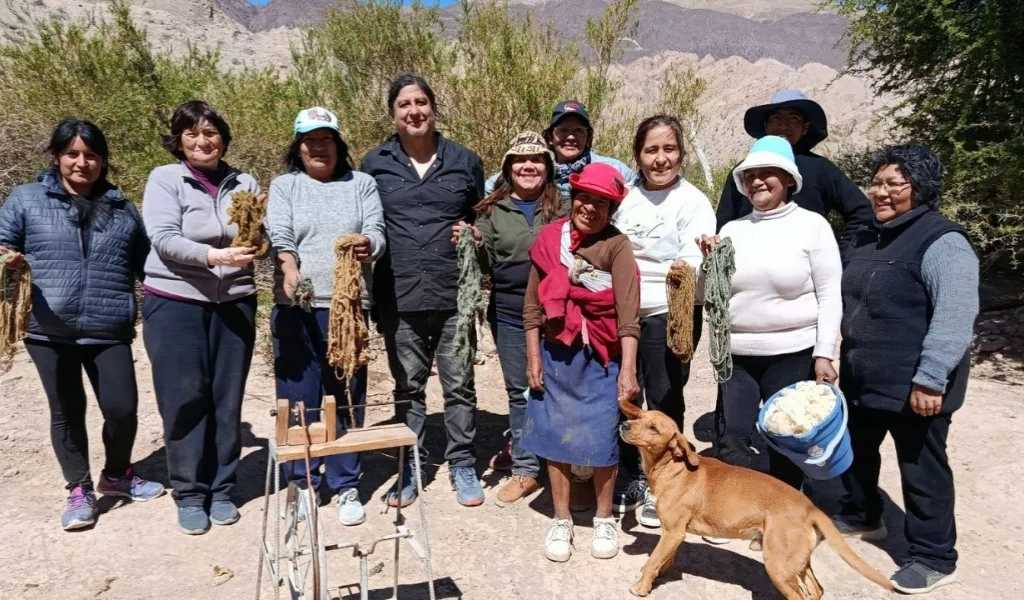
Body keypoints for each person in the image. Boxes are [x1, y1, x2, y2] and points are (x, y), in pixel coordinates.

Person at [0, 119, 164, 530]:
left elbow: (148, 265)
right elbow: (3, 244)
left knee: (122, 408)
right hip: (48, 327)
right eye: (72, 154)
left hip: (108, 325)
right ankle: (79, 489)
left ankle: (117, 474)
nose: (82, 163)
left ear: (102, 160)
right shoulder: (26, 200)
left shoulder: (122, 209)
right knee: (67, 410)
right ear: (56, 157)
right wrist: (8, 259)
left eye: (91, 155)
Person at [833, 145, 977, 594]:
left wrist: (931, 378)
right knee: (858, 452)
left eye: (895, 184)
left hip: (918, 385)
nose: (881, 192)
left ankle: (934, 555)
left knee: (921, 470)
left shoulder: (943, 242)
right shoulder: (869, 238)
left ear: (922, 189)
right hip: (865, 377)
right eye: (876, 182)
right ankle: (864, 515)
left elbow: (955, 315)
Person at [361, 74, 486, 508]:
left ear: (433, 108)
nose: (413, 111)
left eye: (421, 103)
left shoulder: (465, 161)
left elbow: (481, 216)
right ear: (393, 113)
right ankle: (411, 468)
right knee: (408, 387)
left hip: (453, 293)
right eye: (403, 105)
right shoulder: (373, 163)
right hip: (398, 294)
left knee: (460, 385)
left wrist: (474, 232)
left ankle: (463, 465)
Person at [142, 100, 261, 535]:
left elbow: (253, 233)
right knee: (184, 397)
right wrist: (213, 255)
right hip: (175, 301)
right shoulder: (165, 179)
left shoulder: (244, 181)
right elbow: (163, 238)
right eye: (191, 133)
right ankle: (190, 492)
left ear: (223, 138)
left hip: (234, 302)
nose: (202, 141)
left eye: (210, 132)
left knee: (226, 398)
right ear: (179, 140)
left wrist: (257, 237)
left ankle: (223, 488)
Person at [698, 135, 841, 493]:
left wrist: (825, 352)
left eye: (768, 173)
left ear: (788, 179)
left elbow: (829, 293)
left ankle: (785, 511)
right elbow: (706, 294)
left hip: (792, 352)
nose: (758, 181)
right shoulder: (732, 230)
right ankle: (734, 507)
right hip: (738, 355)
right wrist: (706, 262)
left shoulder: (813, 226)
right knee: (734, 435)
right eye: (750, 175)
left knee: (787, 434)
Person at [266, 107, 385, 526]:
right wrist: (289, 266)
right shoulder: (285, 186)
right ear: (298, 147)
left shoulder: (362, 184)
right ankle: (301, 481)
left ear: (338, 145)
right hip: (297, 305)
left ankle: (345, 481)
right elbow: (279, 232)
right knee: (299, 397)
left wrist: (369, 243)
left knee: (346, 395)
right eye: (310, 140)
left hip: (348, 308)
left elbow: (377, 231)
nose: (319, 147)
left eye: (327, 140)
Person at [521, 162, 641, 563]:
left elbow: (627, 316)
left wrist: (627, 369)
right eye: (584, 198)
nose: (590, 208)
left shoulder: (617, 246)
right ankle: (562, 518)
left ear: (612, 210)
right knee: (557, 436)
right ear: (574, 198)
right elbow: (533, 306)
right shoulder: (549, 238)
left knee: (604, 438)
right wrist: (534, 356)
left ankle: (605, 517)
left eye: (602, 203)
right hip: (557, 355)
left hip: (602, 355)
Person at [611, 115, 716, 525]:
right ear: (637, 155)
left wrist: (682, 272)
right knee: (624, 395)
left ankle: (667, 484)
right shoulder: (624, 197)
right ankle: (630, 473)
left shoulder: (693, 201)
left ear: (681, 153)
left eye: (668, 149)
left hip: (670, 312)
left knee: (664, 395)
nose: (660, 159)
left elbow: (695, 259)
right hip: (620, 312)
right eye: (651, 150)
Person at [453, 131, 566, 507]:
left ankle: (566, 468)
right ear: (508, 168)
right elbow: (482, 260)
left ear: (547, 167)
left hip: (558, 311)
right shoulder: (492, 209)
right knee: (522, 391)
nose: (528, 166)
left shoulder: (564, 205)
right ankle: (526, 469)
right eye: (520, 160)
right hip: (510, 312)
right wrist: (472, 240)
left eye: (536, 159)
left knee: (563, 388)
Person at [715, 89, 873, 248]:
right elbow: (724, 224)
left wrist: (843, 253)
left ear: (805, 128)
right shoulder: (744, 170)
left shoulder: (821, 169)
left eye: (794, 119)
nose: (784, 125)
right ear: (766, 126)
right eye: (776, 118)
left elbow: (862, 213)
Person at [484, 100, 634, 197]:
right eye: (563, 130)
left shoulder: (612, 168)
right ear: (550, 137)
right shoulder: (538, 168)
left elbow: (637, 193)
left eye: (578, 131)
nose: (570, 137)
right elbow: (490, 186)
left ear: (588, 137)